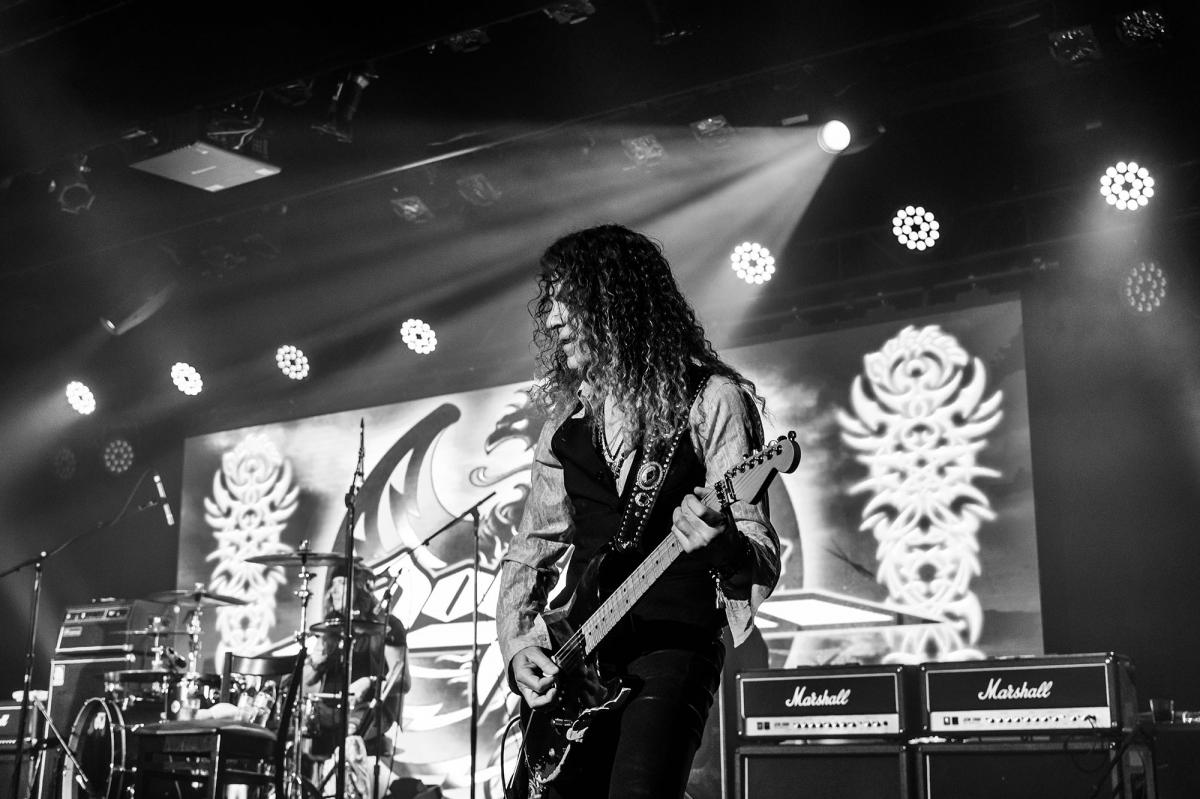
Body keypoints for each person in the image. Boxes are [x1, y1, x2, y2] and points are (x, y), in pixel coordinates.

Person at [496, 223, 780, 799]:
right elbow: (532, 550)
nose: (553, 321)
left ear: (614, 303)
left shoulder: (710, 399)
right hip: (577, 659)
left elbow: (759, 554)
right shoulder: (564, 428)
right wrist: (520, 645)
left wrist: (723, 544)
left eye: (566, 301)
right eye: (550, 304)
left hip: (671, 648)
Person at [306, 562, 410, 766]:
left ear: (360, 588)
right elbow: (308, 680)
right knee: (297, 726)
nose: (334, 591)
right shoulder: (332, 626)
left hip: (369, 710)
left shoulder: (386, 625)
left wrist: (370, 682)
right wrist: (315, 663)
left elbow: (403, 681)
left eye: (342, 583)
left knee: (351, 733)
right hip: (329, 711)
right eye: (333, 584)